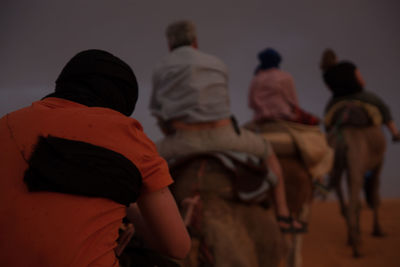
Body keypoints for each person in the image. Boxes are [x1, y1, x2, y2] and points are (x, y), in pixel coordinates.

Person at [0, 50, 190, 267]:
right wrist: (130, 208)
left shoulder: (5, 124)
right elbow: (178, 247)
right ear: (122, 102)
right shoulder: (128, 135)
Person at [150, 20, 305, 232]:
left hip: (184, 140)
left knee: (142, 164)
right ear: (195, 41)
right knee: (268, 152)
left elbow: (158, 112)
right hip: (226, 136)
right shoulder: (217, 63)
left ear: (169, 44)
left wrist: (171, 130)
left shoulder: (161, 67)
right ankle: (283, 216)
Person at [247, 48, 333, 193]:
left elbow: (251, 103)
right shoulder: (285, 77)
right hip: (286, 120)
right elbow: (293, 102)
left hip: (261, 123)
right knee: (320, 140)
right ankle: (318, 179)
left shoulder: (256, 79)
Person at [320, 49, 400, 142]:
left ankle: (328, 141)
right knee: (382, 106)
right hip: (359, 95)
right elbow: (362, 82)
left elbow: (330, 89)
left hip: (337, 100)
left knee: (327, 118)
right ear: (335, 58)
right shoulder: (348, 65)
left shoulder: (326, 75)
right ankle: (395, 133)